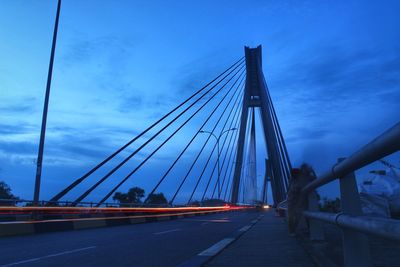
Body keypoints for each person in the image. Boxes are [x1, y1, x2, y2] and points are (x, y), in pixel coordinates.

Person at [287, 163, 317, 235]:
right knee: (292, 216)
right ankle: (292, 231)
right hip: (293, 200)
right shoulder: (294, 178)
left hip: (300, 200)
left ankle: (294, 230)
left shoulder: (307, 177)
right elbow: (291, 188)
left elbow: (315, 179)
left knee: (298, 215)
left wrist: (312, 171)